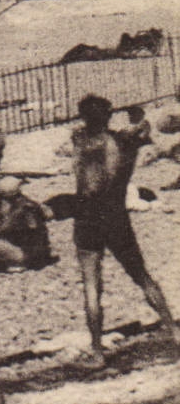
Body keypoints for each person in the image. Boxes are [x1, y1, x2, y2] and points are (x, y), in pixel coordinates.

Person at [65, 93, 179, 366]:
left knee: (92, 286)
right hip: (114, 216)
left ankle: (97, 351)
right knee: (141, 275)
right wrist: (138, 119)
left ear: (83, 117)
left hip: (86, 217)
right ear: (108, 114)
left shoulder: (80, 141)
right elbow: (146, 133)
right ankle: (174, 331)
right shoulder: (121, 143)